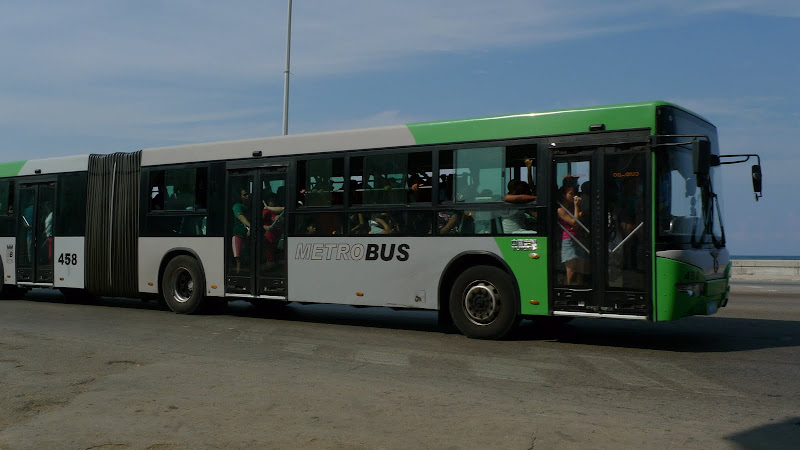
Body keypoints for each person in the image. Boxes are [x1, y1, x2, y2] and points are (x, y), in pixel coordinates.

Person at [557, 181, 588, 285]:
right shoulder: (560, 210)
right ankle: (567, 288)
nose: (574, 196)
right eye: (571, 193)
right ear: (564, 195)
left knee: (580, 269)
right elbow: (574, 222)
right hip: (568, 239)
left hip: (578, 238)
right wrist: (577, 206)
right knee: (571, 270)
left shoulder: (571, 208)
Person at [232, 189, 251, 274]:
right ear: (240, 197)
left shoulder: (250, 207)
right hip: (238, 235)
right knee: (238, 260)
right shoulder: (237, 206)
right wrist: (250, 226)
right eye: (244, 195)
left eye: (248, 194)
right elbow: (240, 216)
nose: (247, 196)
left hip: (247, 236)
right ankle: (238, 276)